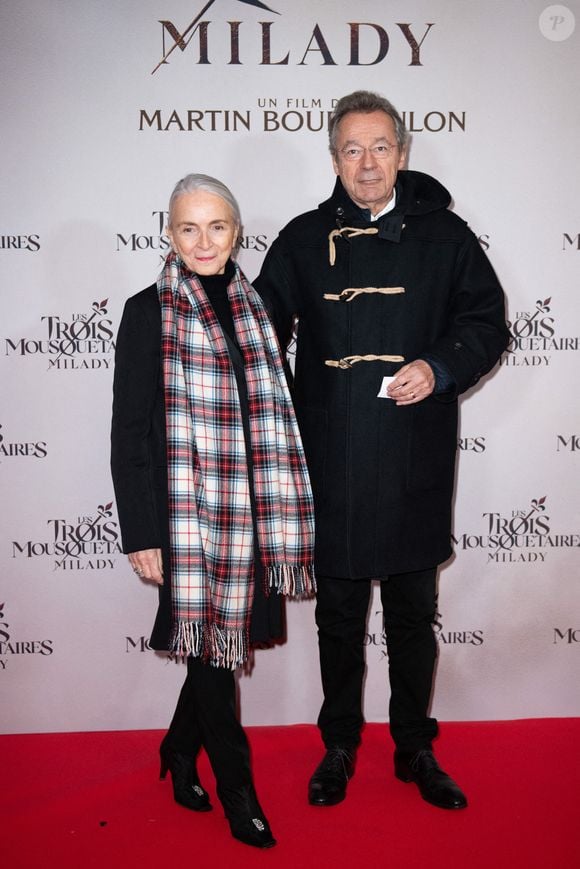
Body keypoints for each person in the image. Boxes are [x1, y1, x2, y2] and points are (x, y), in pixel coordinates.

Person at [254, 91, 509, 811]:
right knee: (336, 614)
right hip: (328, 457)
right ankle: (339, 744)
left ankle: (414, 747)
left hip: (411, 457)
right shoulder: (301, 240)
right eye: (351, 150)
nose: (366, 164)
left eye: (379, 147)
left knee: (409, 613)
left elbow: (486, 321)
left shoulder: (448, 236)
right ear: (334, 158)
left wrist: (439, 365)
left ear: (402, 152)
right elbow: (260, 335)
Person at [111, 173, 315, 848]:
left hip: (251, 512)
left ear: (236, 231)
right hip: (187, 521)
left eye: (217, 227)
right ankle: (239, 791)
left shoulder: (259, 308)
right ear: (169, 234)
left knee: (214, 654)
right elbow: (130, 432)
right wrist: (141, 530)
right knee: (212, 656)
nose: (203, 242)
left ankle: (176, 749)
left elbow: (272, 413)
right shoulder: (148, 311)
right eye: (188, 228)